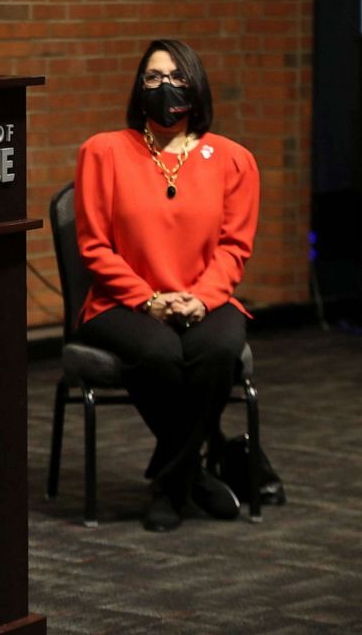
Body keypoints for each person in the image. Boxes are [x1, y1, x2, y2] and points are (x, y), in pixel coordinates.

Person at [73, 39, 259, 532]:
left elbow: (233, 249)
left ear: (196, 88)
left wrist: (199, 299)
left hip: (207, 296)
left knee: (218, 351)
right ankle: (193, 473)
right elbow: (94, 248)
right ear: (138, 89)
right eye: (152, 78)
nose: (164, 88)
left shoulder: (234, 160)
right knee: (160, 354)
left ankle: (170, 479)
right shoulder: (104, 151)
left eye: (177, 77)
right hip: (122, 302)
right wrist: (148, 300)